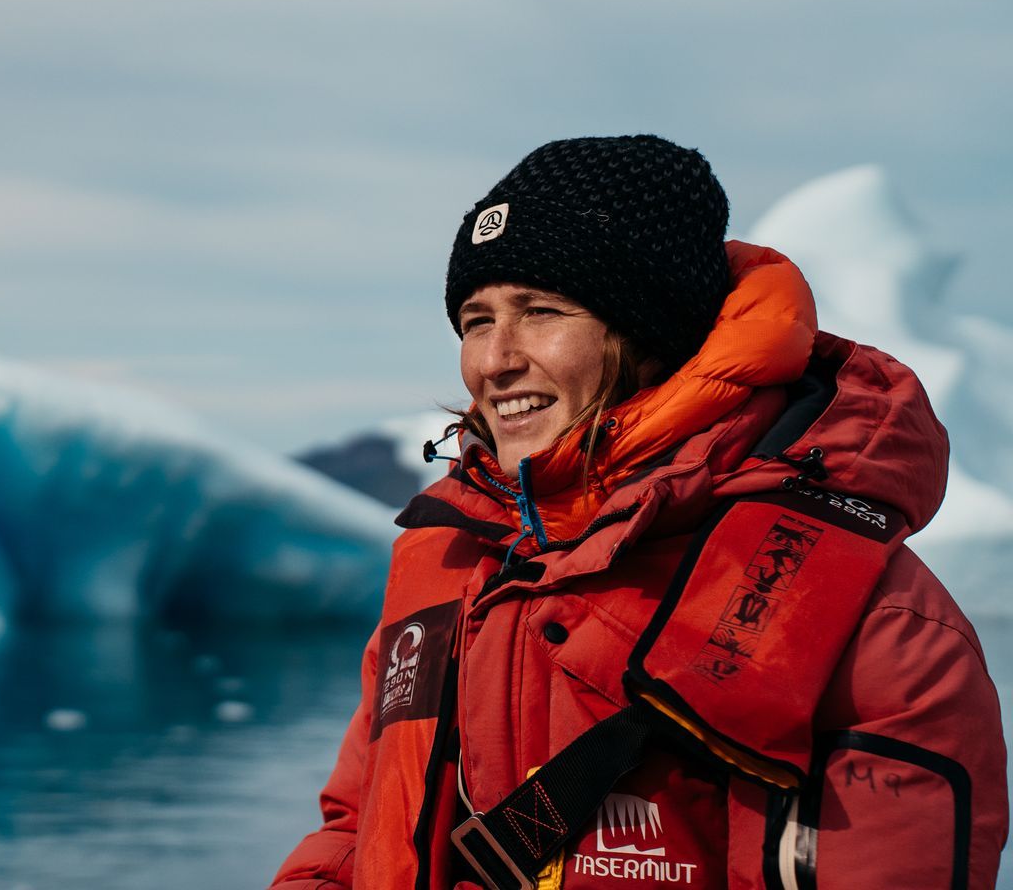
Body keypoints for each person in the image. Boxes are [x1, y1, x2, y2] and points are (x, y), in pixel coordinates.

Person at [270, 136, 1007, 889]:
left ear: (655, 334)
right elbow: (357, 833)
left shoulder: (872, 626)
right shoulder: (453, 565)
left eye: (541, 310)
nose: (494, 359)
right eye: (476, 318)